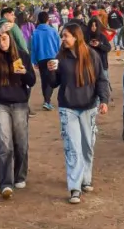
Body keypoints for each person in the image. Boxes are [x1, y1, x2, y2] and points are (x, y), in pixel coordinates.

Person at [47, 23, 110, 204]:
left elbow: (101, 80)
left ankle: (86, 179)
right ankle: (74, 187)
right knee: (73, 147)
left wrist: (103, 101)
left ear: (76, 37)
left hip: (89, 106)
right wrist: (51, 72)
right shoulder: (61, 56)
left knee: (87, 146)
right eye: (62, 36)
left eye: (66, 35)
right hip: (68, 107)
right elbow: (54, 84)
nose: (63, 39)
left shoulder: (92, 55)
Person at [0, 26, 35, 199]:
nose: (2, 42)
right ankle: (5, 183)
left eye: (5, 39)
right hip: (1, 104)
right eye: (0, 39)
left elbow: (32, 81)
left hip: (20, 103)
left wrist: (25, 73)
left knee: (21, 143)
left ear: (11, 39)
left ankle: (19, 175)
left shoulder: (22, 56)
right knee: (4, 144)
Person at [30, 11, 60, 111]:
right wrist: (59, 57)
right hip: (53, 57)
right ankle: (47, 101)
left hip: (41, 59)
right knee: (52, 79)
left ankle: (46, 100)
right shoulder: (53, 31)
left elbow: (33, 48)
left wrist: (34, 61)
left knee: (44, 80)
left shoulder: (35, 32)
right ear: (48, 20)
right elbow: (58, 45)